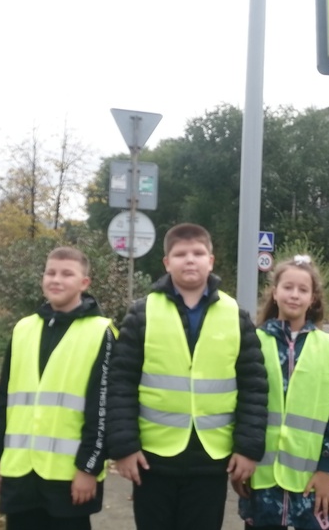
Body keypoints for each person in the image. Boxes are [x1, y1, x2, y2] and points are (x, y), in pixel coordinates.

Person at [107, 223, 268, 530]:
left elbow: (254, 388)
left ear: (211, 260)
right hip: (152, 460)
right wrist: (124, 448)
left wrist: (248, 449)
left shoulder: (235, 315)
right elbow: (121, 384)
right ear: (167, 263)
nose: (189, 259)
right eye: (180, 254)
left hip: (211, 461)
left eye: (198, 252)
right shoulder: (142, 313)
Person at [0, 246, 117, 530]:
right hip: (20, 471)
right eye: (50, 272)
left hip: (68, 478)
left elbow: (103, 409)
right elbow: (3, 398)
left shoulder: (100, 332)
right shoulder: (23, 329)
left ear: (84, 283)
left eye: (67, 274)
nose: (56, 279)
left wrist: (89, 467)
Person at [234, 255, 329, 530]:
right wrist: (239, 458)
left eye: (303, 289)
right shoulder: (253, 342)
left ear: (313, 298)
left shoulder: (328, 347)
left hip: (311, 482)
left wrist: (327, 469)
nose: (295, 295)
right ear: (274, 293)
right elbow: (239, 406)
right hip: (261, 479)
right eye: (288, 287)